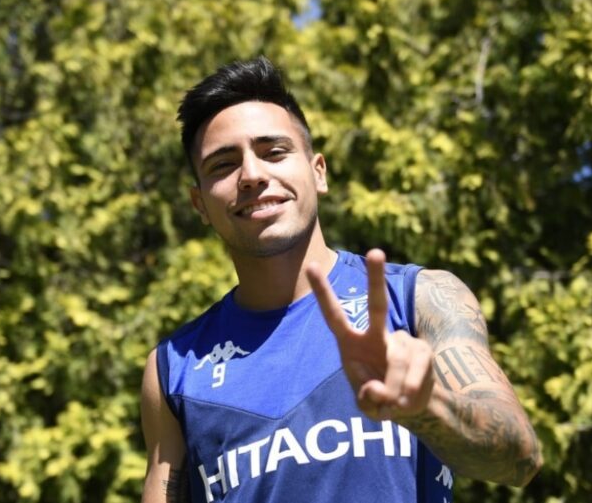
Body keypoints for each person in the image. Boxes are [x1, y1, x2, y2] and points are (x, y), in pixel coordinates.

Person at [141, 57, 542, 503]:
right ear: (199, 204)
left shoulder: (418, 298)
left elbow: (520, 457)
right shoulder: (174, 368)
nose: (252, 175)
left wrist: (424, 408)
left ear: (319, 172)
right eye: (223, 165)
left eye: (274, 152)